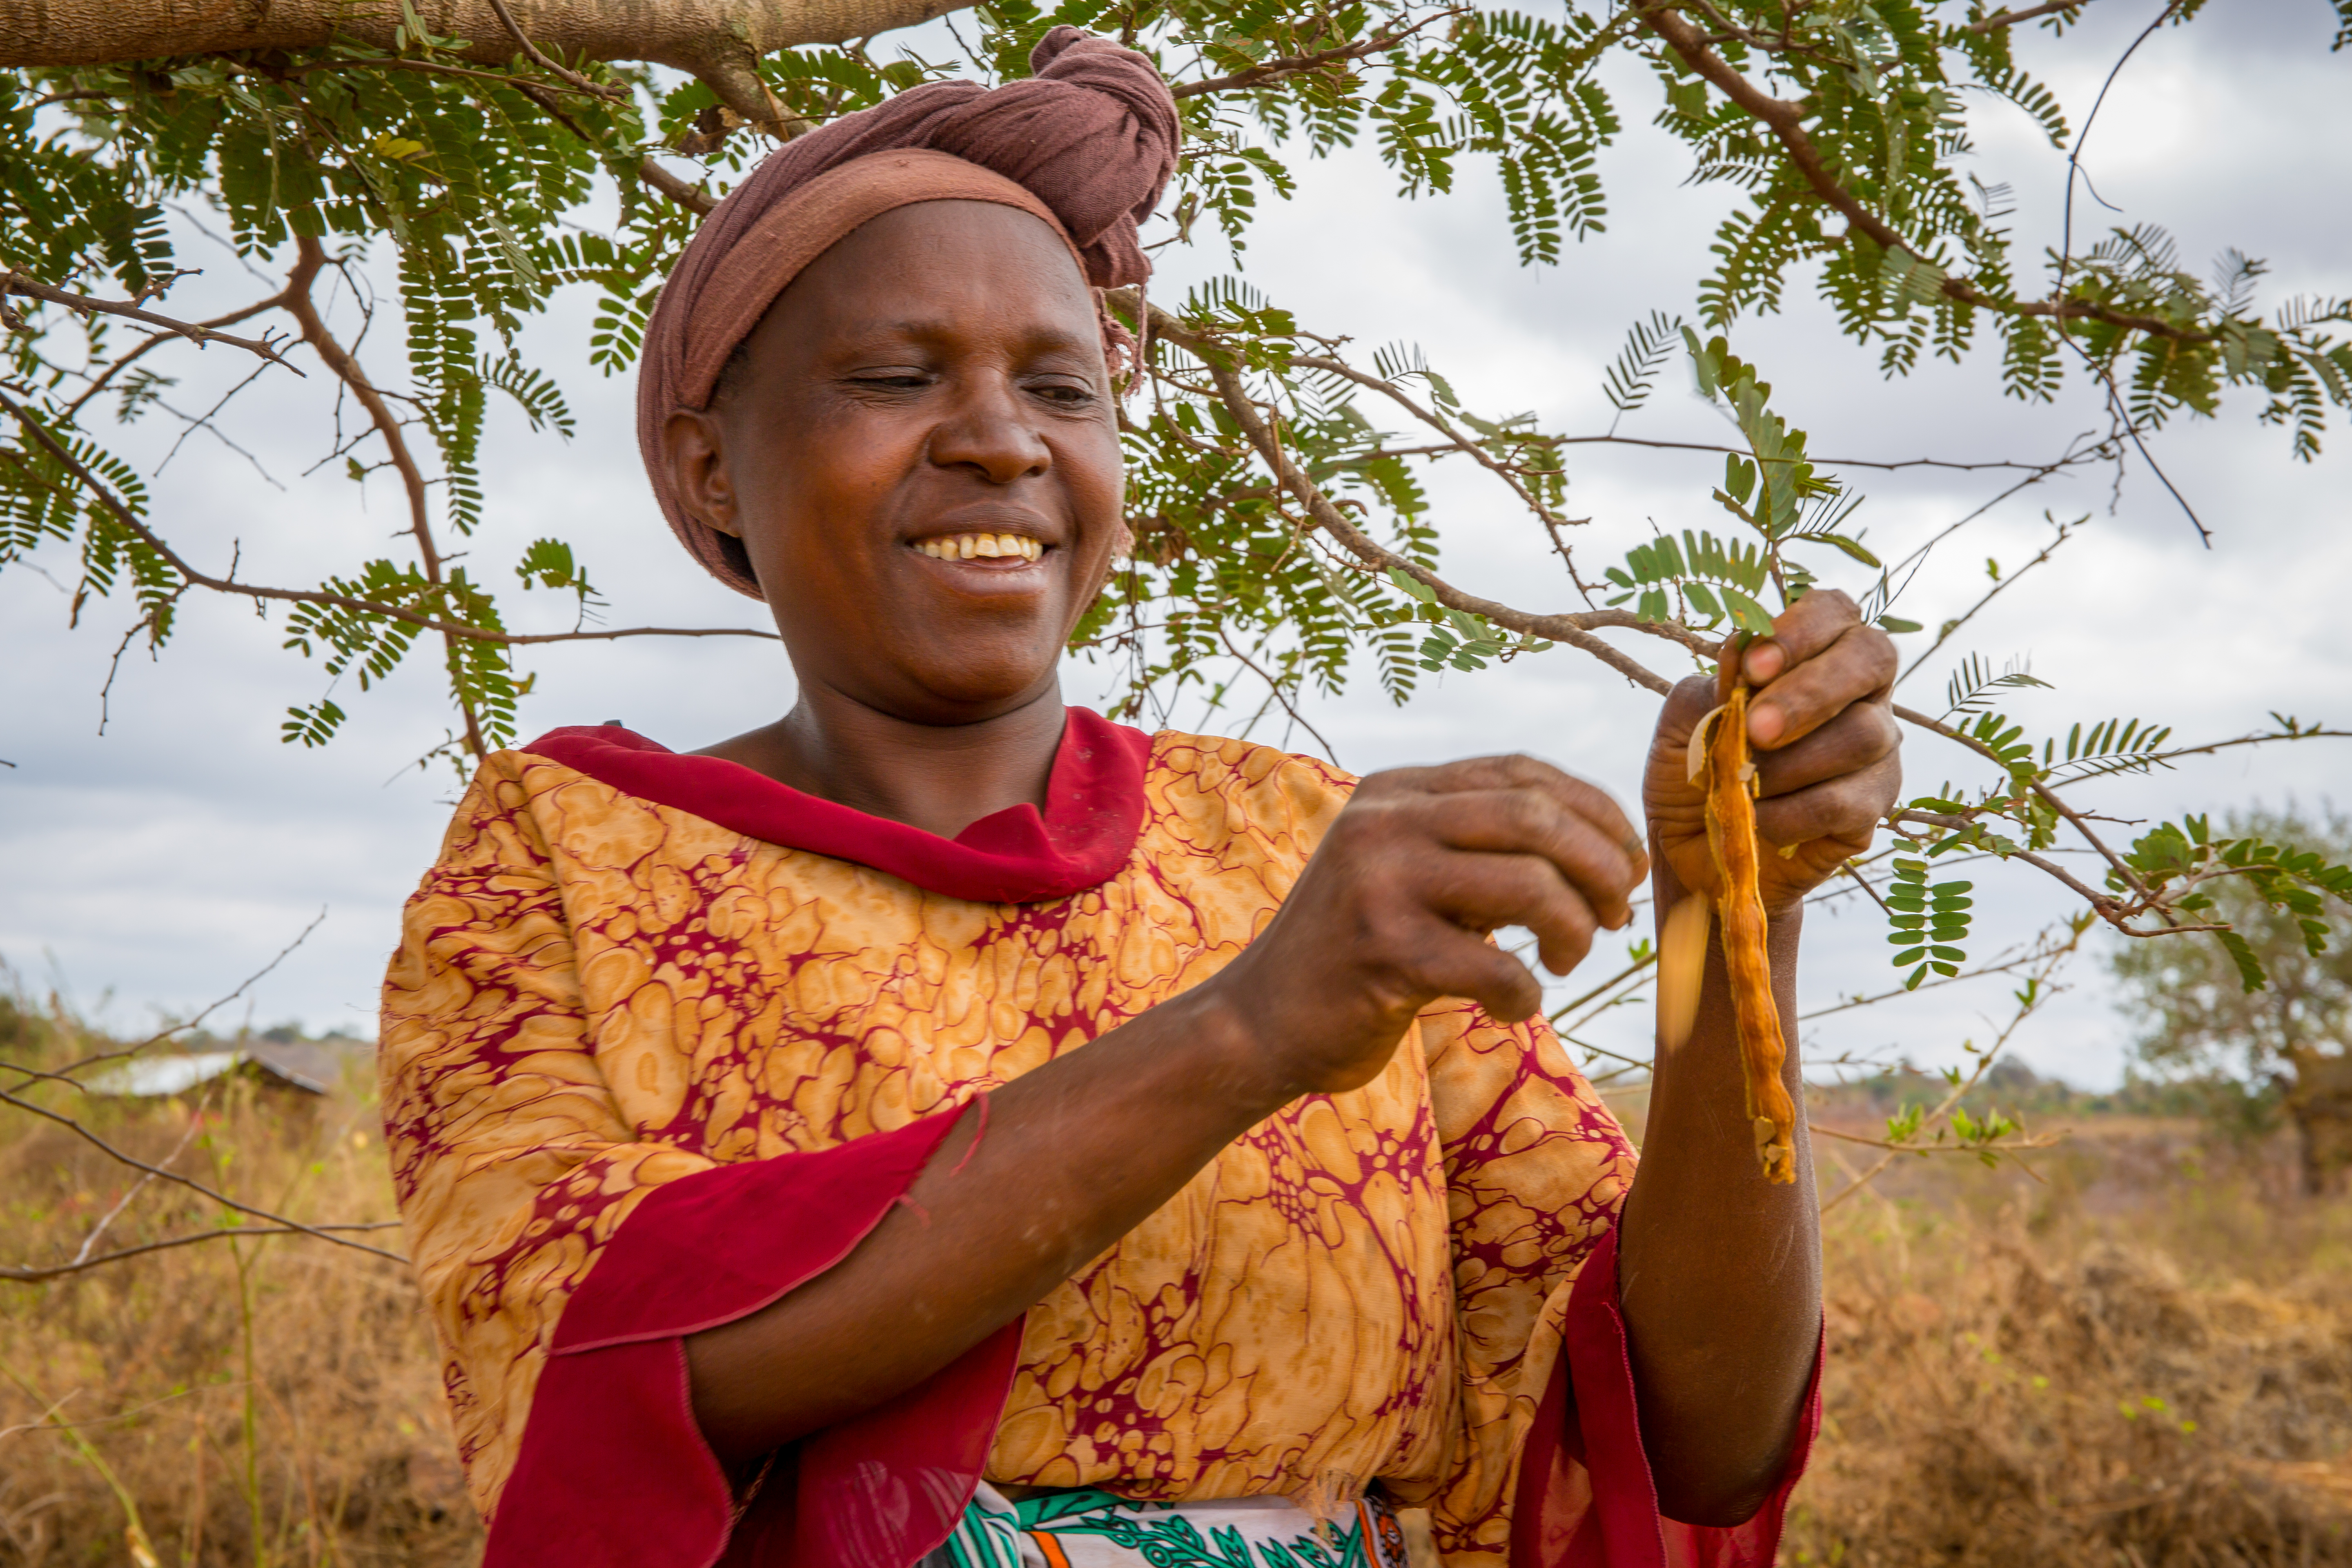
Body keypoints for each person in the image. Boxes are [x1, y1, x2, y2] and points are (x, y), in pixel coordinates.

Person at [379, 27, 1901, 1568]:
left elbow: (1685, 1434)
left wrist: (1736, 928)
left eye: (1063, 386)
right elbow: (612, 1368)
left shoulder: (1298, 847)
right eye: (899, 378)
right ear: (712, 471)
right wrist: (1249, 1032)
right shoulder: (568, 858)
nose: (1000, 438)